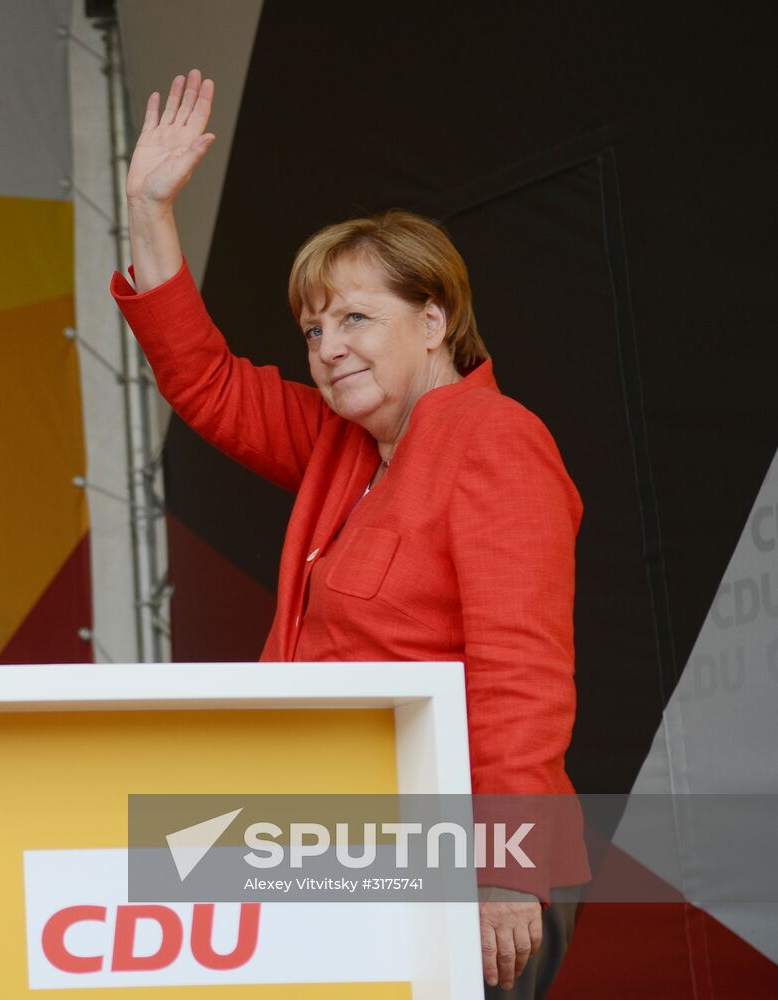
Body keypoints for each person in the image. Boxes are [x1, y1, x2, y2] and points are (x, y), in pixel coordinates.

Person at [113, 69, 587, 996]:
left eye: (356, 319)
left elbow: (520, 671)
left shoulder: (493, 438)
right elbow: (204, 381)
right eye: (313, 328)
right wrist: (148, 207)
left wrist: (505, 869)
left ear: (435, 319)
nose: (328, 348)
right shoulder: (345, 447)